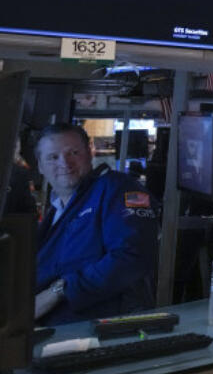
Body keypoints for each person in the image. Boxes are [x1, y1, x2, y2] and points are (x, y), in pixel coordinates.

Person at [33, 124, 159, 325]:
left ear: (89, 154)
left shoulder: (118, 188)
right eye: (53, 157)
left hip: (100, 328)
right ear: (40, 166)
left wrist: (58, 291)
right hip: (52, 327)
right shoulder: (56, 209)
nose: (65, 163)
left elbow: (132, 256)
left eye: (74, 153)